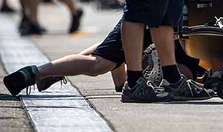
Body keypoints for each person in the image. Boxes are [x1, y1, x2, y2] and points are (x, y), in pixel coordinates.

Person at [3, 17, 204, 97]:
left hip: (156, 9)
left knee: (108, 58)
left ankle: (49, 72)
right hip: (151, 9)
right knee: (100, 63)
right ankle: (36, 73)